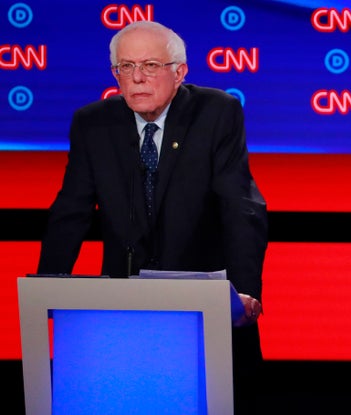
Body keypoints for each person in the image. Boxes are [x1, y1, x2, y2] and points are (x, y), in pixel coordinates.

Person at [37, 20, 268, 413]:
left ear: (179, 73)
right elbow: (71, 209)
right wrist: (47, 286)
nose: (137, 78)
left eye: (150, 66)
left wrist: (244, 292)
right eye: (125, 67)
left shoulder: (216, 112)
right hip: (123, 307)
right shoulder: (93, 123)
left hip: (201, 297)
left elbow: (240, 206)